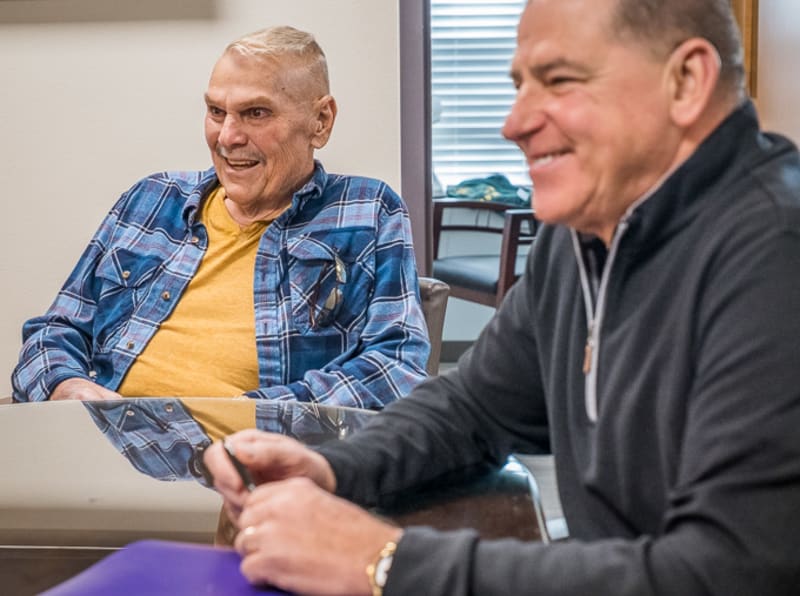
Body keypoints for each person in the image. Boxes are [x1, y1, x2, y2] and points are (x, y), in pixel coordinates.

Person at [202, 0, 800, 594]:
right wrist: (332, 468)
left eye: (558, 80)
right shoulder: (581, 236)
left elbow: (730, 571)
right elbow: (475, 408)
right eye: (519, 86)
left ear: (687, 80)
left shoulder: (775, 249)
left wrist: (385, 561)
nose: (513, 123)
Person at [11, 26, 429, 420]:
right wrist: (67, 386)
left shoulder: (366, 210)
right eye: (216, 111)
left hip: (258, 464)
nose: (227, 137)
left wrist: (246, 419)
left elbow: (394, 367)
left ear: (320, 121)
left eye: (256, 113)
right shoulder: (152, 199)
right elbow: (56, 330)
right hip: (108, 446)